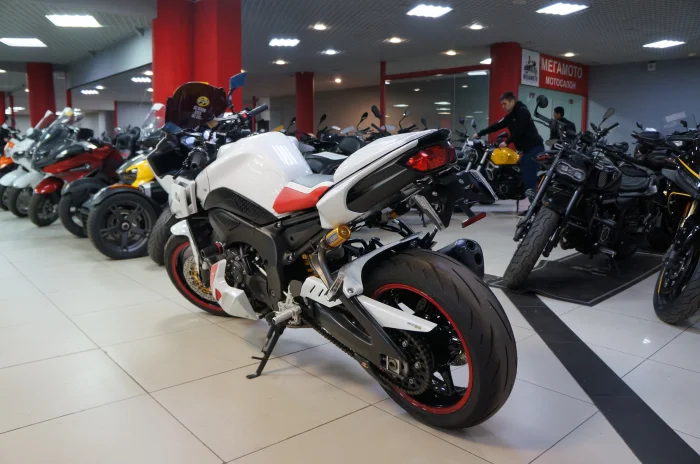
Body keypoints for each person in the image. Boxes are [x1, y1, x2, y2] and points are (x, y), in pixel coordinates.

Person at [473, 91, 545, 200]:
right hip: (525, 151)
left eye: (504, 104)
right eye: (502, 104)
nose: (503, 106)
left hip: (534, 149)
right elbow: (497, 125)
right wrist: (480, 133)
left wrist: (507, 142)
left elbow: (520, 129)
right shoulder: (511, 116)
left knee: (529, 180)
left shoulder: (522, 111)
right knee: (516, 173)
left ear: (512, 101)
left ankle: (535, 207)